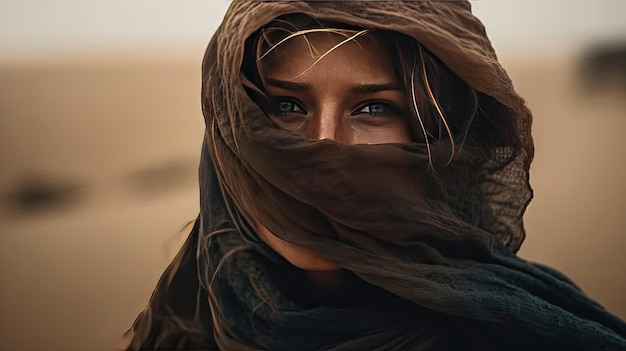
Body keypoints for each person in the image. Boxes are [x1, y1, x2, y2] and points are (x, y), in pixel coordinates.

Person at [124, 1, 626, 350]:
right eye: (286, 105)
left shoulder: (519, 334)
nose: (324, 147)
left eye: (371, 108)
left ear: (436, 139)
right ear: (231, 130)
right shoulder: (180, 325)